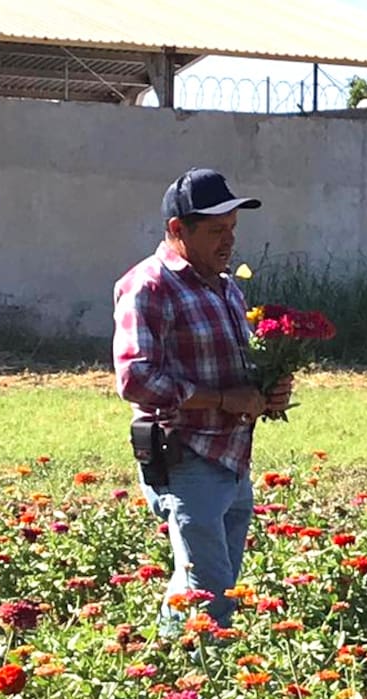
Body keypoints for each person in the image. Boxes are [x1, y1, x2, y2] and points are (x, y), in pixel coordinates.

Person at [112, 167, 292, 636]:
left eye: (231, 229)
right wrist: (221, 399)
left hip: (232, 459)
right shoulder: (148, 286)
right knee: (210, 593)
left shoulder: (227, 286)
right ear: (177, 230)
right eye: (215, 231)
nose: (228, 241)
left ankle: (167, 662)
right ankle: (201, 688)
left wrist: (268, 390)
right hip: (187, 456)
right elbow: (135, 379)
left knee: (210, 583)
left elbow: (236, 369)